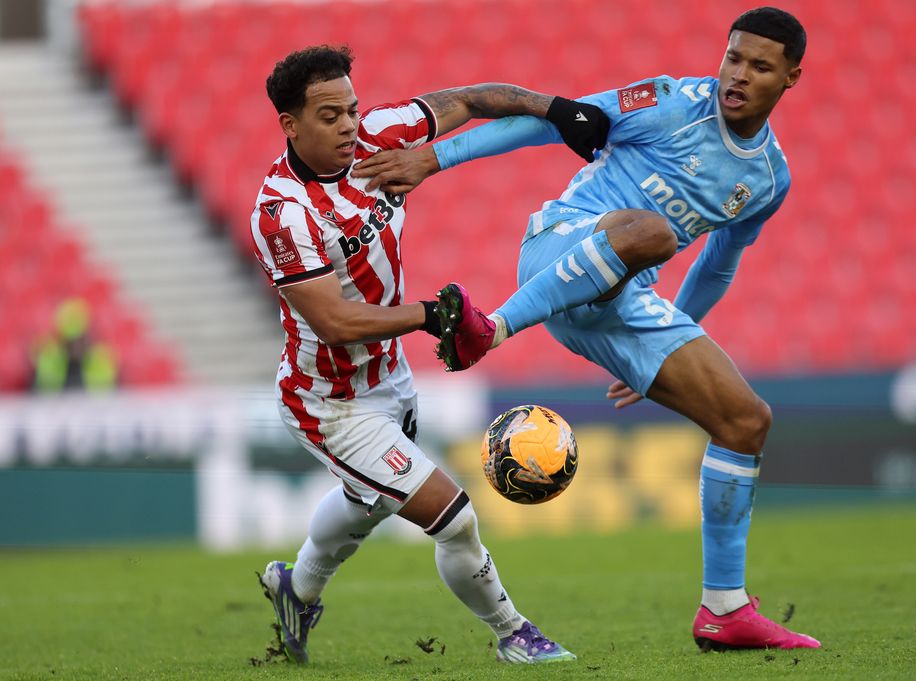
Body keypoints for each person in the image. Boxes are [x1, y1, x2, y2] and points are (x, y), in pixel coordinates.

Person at [353, 7, 820, 651]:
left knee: (746, 421)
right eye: (732, 57)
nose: (737, 75)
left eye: (759, 67)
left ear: (790, 77)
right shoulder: (670, 102)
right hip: (559, 244)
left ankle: (724, 609)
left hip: (621, 298)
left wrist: (670, 339)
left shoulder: (767, 179)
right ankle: (492, 329)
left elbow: (719, 262)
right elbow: (548, 122)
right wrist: (433, 159)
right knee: (653, 231)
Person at [249, 45, 610, 665]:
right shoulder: (282, 213)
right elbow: (334, 322)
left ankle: (296, 588)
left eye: (352, 110)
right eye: (330, 116)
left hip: (389, 377)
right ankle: (514, 634)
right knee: (453, 517)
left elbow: (469, 100)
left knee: (365, 502)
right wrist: (430, 314)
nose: (349, 126)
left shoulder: (379, 137)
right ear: (291, 124)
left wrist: (553, 108)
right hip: (329, 402)